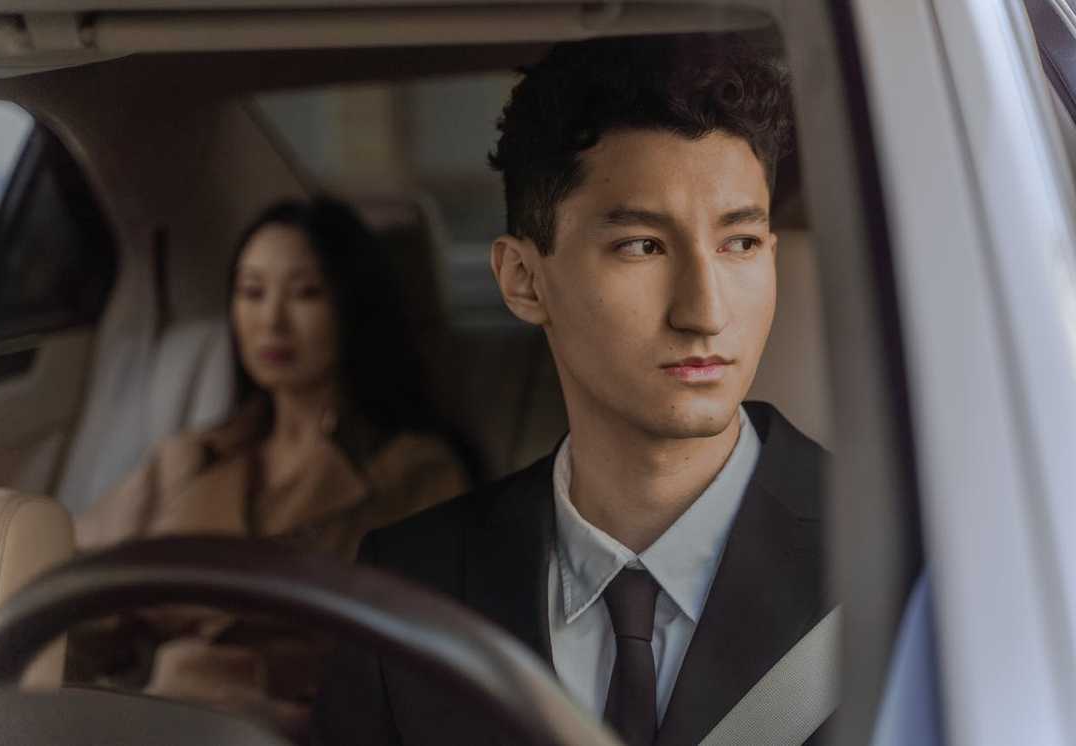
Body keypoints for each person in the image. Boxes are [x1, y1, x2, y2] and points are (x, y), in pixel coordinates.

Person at [312, 34, 832, 746]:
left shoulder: (908, 556)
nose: (705, 312)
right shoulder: (409, 588)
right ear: (523, 280)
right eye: (641, 246)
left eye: (738, 244)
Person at [71, 197, 469, 740]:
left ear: (353, 307)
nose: (271, 321)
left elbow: (429, 658)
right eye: (251, 292)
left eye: (305, 293)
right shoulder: (191, 456)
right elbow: (80, 584)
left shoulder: (414, 470)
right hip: (153, 708)